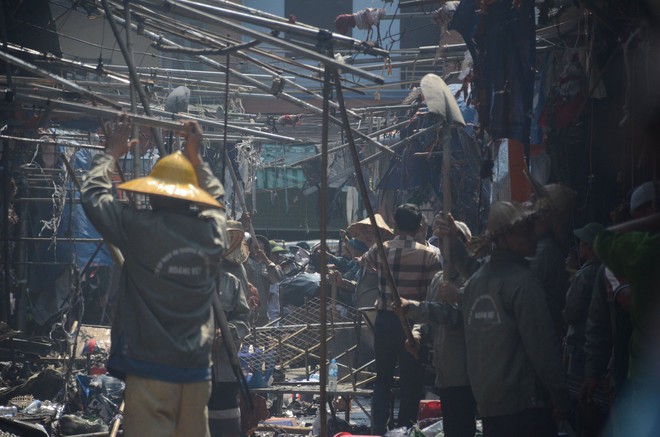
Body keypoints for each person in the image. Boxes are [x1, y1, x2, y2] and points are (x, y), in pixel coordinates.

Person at [81, 117, 227, 437]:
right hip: (196, 371)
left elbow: (93, 196)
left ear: (154, 195)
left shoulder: (138, 228)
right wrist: (197, 158)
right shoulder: (212, 235)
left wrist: (111, 154)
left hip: (150, 369)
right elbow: (219, 205)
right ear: (192, 197)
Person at [458, 201, 570, 437]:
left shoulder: (474, 284)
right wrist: (561, 397)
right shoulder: (523, 283)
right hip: (525, 405)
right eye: (524, 231)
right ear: (505, 238)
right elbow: (542, 347)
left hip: (490, 404)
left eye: (532, 229)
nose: (533, 237)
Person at [361, 204, 442, 434]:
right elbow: (432, 291)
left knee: (383, 378)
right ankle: (405, 429)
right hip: (415, 323)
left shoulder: (380, 250)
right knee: (411, 382)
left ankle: (379, 428)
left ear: (394, 225)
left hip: (386, 321)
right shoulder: (429, 255)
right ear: (419, 227)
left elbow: (365, 263)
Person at [400, 218, 477, 437]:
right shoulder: (438, 279)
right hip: (445, 369)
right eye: (442, 242)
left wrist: (413, 308)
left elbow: (452, 315)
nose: (445, 247)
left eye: (451, 241)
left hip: (467, 370)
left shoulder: (471, 280)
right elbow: (429, 318)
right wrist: (416, 334)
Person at [208, 220, 251, 437]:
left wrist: (227, 332)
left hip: (225, 368)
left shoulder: (232, 282)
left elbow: (244, 320)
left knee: (226, 425)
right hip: (191, 369)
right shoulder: (182, 282)